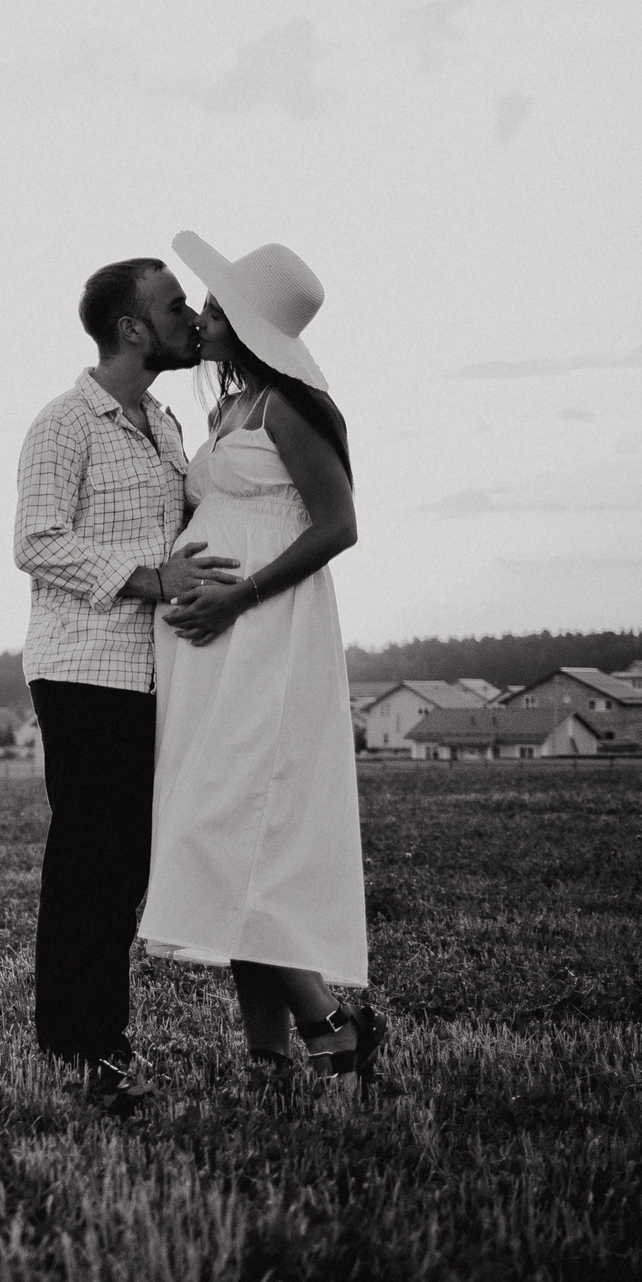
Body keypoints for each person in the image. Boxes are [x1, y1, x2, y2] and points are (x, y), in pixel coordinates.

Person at [140, 234, 387, 1095]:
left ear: (246, 326)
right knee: (229, 837)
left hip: (268, 643)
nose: (202, 321)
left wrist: (237, 599)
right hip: (211, 656)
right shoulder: (227, 413)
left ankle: (331, 1025)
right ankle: (269, 1060)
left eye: (213, 311)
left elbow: (338, 525)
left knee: (234, 835)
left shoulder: (287, 408)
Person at [14, 258, 240, 1115]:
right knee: (91, 864)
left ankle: (80, 1034)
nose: (190, 316)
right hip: (82, 669)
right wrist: (149, 577)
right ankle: (91, 1044)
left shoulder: (165, 421)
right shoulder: (64, 421)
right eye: (175, 303)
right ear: (132, 328)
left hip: (153, 672)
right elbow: (35, 540)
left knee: (125, 865)